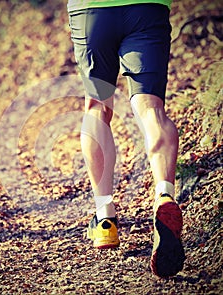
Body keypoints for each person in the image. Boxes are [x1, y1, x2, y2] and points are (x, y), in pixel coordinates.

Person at [67, 0, 185, 277]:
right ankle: (165, 193)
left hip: (91, 11)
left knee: (97, 108)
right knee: (151, 107)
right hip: (147, 7)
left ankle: (105, 216)